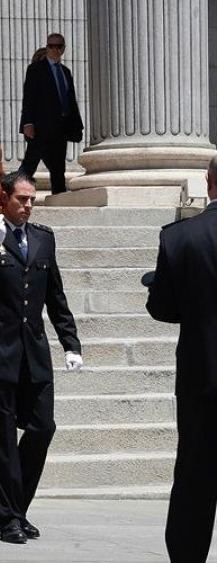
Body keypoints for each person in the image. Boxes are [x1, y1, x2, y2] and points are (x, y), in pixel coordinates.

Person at [0, 171, 82, 543]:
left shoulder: (44, 238)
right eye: (21, 199)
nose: (28, 206)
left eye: (32, 199)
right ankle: (10, 516)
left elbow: (55, 297)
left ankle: (14, 505)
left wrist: (71, 342)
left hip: (33, 353)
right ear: (3, 199)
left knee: (42, 428)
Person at [145, 158, 217, 563]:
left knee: (194, 479)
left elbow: (162, 308)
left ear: (209, 184)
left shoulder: (179, 237)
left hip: (201, 377)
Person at [18, 33, 84, 195]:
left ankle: (59, 197)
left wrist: (77, 125)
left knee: (58, 167)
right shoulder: (35, 70)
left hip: (60, 127)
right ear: (47, 47)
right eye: (51, 46)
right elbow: (29, 98)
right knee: (30, 163)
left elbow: (70, 100)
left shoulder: (66, 72)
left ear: (63, 49)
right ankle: (13, 190)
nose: (54, 49)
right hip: (40, 126)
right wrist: (27, 123)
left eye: (58, 46)